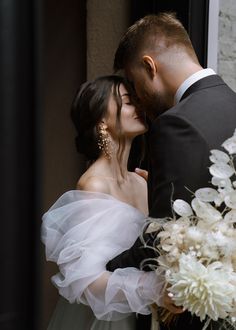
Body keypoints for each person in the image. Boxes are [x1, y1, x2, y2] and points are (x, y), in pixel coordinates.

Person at [106, 13, 236, 330]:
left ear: (150, 67)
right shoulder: (231, 102)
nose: (139, 100)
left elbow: (165, 230)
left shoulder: (176, 122)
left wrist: (108, 268)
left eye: (136, 87)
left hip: (200, 313)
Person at [41, 75, 177, 330]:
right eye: (127, 102)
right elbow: (86, 280)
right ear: (102, 120)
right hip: (106, 319)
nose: (138, 108)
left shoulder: (141, 182)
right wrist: (154, 289)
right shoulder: (94, 185)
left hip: (142, 316)